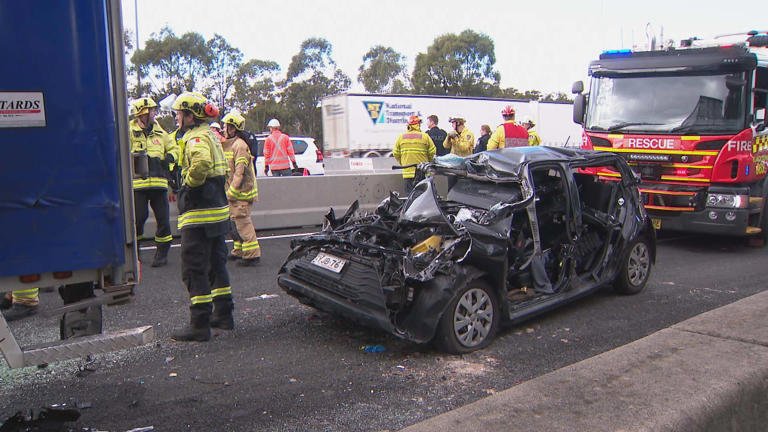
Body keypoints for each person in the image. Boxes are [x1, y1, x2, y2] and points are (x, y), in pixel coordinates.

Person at [171, 92, 233, 341]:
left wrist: (188, 186)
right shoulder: (211, 135)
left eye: (179, 114)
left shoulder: (195, 137)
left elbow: (200, 165)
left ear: (189, 115)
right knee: (216, 265)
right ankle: (224, 315)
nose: (176, 118)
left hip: (200, 214)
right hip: (217, 212)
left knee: (194, 268)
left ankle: (199, 324)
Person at [129, 97, 179, 267]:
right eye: (151, 110)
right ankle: (134, 253)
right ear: (143, 112)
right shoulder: (128, 131)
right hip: (137, 186)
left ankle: (162, 253)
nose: (154, 113)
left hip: (159, 184)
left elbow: (174, 148)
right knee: (138, 219)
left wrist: (170, 158)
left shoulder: (160, 132)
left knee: (163, 220)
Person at [221, 112, 261, 266]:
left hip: (241, 192)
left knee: (243, 222)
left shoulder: (240, 145)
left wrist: (232, 191)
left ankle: (252, 254)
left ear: (233, 128)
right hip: (234, 192)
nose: (224, 129)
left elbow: (240, 171)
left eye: (226, 126)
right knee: (235, 223)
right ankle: (239, 250)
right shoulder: (232, 144)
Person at [392, 115, 436, 193]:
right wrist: (426, 162)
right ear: (418, 125)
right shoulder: (425, 137)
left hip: (407, 173)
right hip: (421, 173)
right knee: (421, 198)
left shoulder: (401, 137)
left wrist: (403, 163)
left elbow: (395, 153)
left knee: (409, 199)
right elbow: (432, 152)